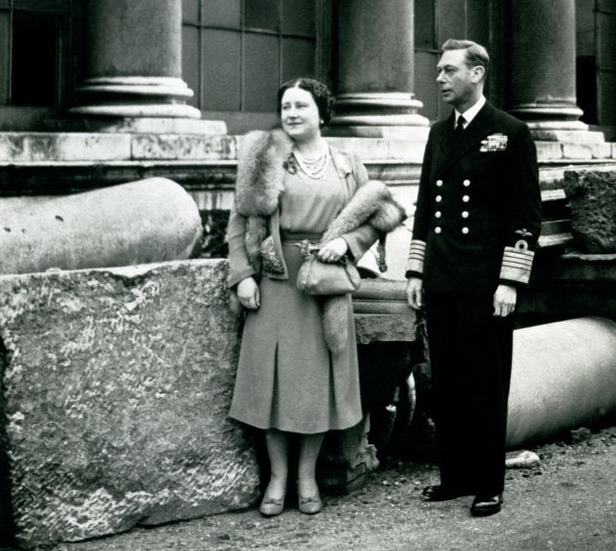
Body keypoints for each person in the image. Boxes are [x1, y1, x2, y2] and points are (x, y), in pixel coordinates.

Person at [226, 77, 404, 517]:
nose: (291, 113)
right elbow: (238, 222)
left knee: (314, 386)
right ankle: (278, 478)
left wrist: (349, 245)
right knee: (272, 384)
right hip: (275, 279)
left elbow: (381, 214)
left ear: (322, 112)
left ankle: (307, 476)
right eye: (285, 105)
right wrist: (243, 277)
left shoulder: (345, 163)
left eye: (301, 105)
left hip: (325, 283)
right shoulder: (265, 158)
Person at [405, 40, 541, 517]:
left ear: (477, 73)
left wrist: (511, 281)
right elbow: (425, 206)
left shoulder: (510, 132)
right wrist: (416, 268)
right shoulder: (438, 133)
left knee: (485, 383)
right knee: (448, 382)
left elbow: (524, 215)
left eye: (448, 71)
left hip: (486, 282)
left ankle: (488, 482)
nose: (439, 79)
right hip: (442, 277)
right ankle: (456, 476)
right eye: (438, 71)